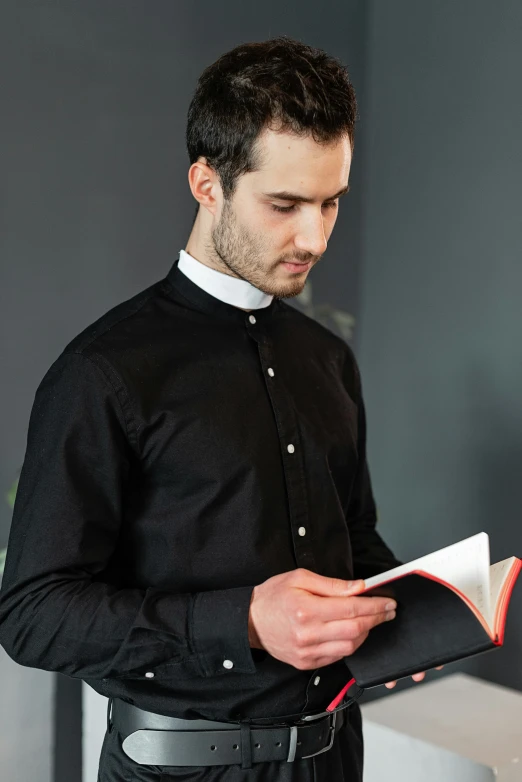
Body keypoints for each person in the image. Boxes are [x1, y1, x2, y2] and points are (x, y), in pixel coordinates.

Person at [0, 35, 435, 782]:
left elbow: (353, 541)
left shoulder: (328, 360)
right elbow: (33, 614)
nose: (315, 237)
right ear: (207, 184)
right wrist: (243, 622)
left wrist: (413, 621)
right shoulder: (102, 371)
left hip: (335, 760)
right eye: (285, 204)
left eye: (331, 202)